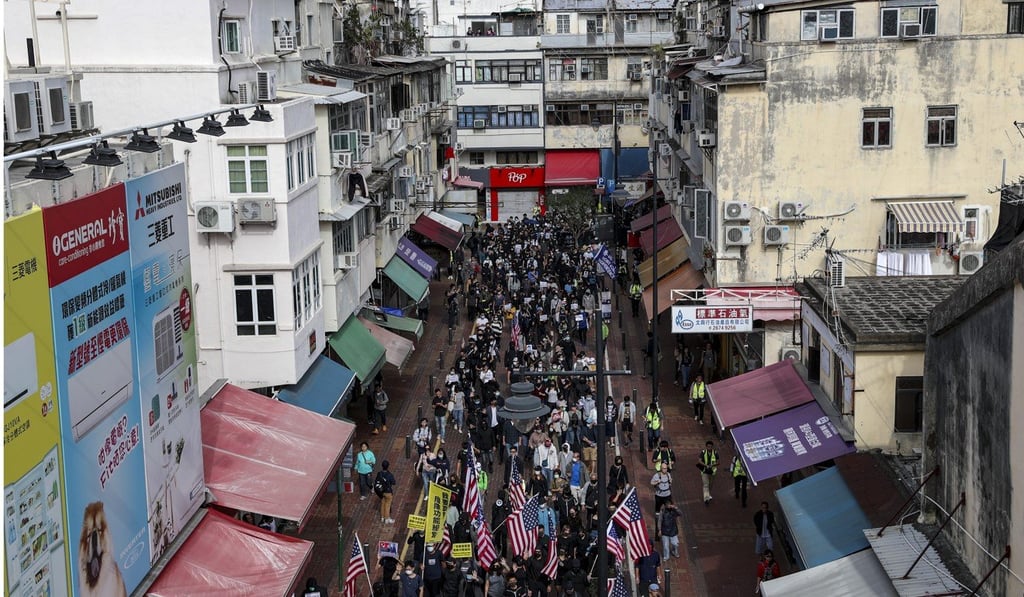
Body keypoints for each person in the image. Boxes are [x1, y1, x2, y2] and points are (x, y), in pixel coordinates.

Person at [698, 440, 719, 506]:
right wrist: (706, 465)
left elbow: (718, 462)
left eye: (710, 446)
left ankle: (708, 494)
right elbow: (699, 461)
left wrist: (712, 465)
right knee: (706, 484)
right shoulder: (703, 452)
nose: (709, 448)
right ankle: (706, 499)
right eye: (708, 446)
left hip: (712, 472)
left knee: (710, 484)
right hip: (704, 471)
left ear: (712, 447)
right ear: (706, 447)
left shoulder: (715, 453)